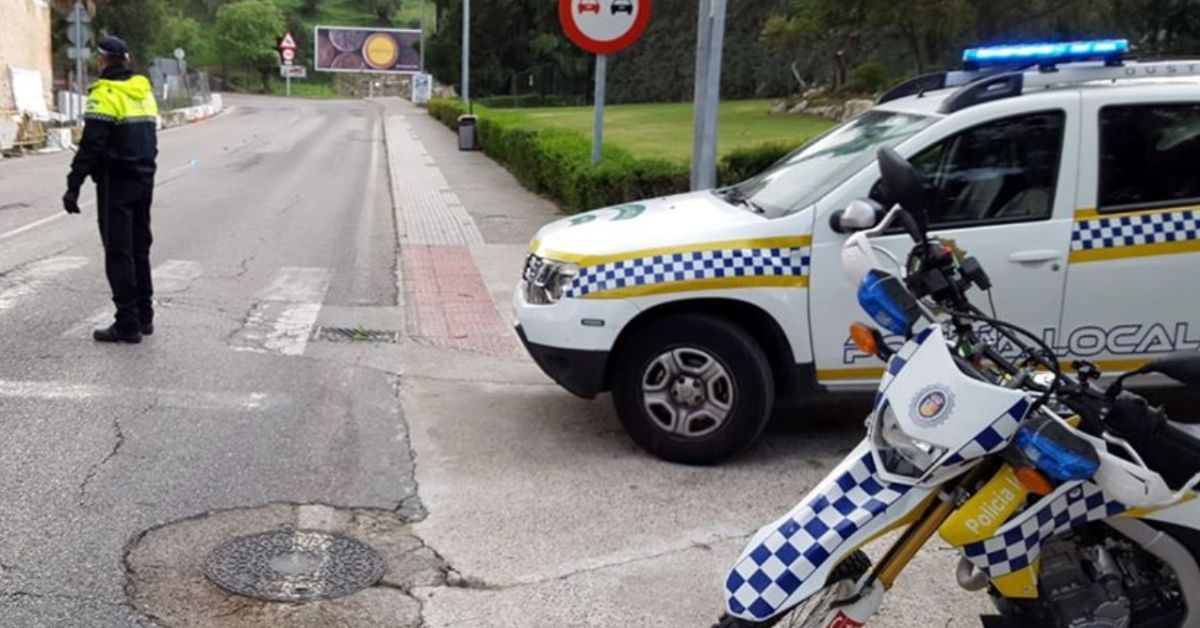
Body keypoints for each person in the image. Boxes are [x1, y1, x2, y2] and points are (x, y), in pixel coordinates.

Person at [63, 35, 158, 343]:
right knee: (140, 249)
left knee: (118, 252)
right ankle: (145, 316)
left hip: (116, 183)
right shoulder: (143, 91)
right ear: (127, 61)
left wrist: (73, 185)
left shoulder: (104, 94)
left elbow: (91, 145)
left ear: (103, 61)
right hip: (145, 178)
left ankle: (127, 323)